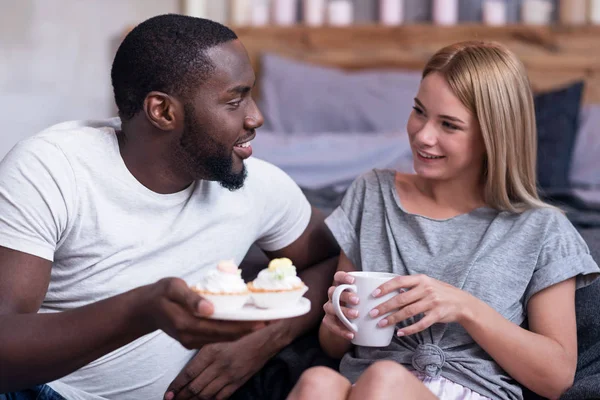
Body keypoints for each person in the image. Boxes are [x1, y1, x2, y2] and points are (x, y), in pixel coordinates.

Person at [0, 14, 339, 400]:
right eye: (235, 100)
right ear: (162, 111)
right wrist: (141, 310)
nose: (256, 117)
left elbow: (338, 260)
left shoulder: (260, 185)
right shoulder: (51, 169)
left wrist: (268, 334)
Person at [287, 41, 600, 400]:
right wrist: (335, 322)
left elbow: (557, 376)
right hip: (366, 386)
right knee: (318, 382)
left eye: (449, 125)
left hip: (466, 392)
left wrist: (466, 308)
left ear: (492, 137)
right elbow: (333, 347)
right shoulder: (371, 193)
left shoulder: (543, 228)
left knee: (384, 380)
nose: (423, 135)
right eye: (419, 111)